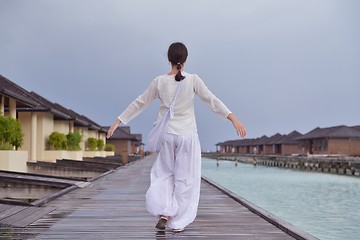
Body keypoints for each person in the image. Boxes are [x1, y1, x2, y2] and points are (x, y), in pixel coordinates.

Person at [107, 42, 246, 233]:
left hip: (167, 135)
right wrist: (233, 118)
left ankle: (165, 212)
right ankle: (178, 221)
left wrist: (117, 121)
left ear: (168, 59)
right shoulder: (193, 80)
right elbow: (212, 100)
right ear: (186, 59)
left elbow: (139, 103)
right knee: (186, 178)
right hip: (187, 136)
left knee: (163, 174)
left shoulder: (159, 81)